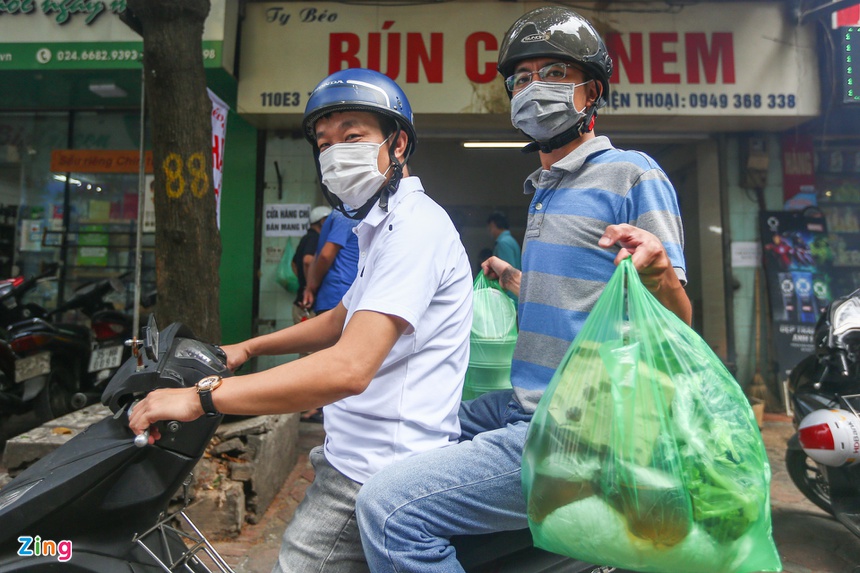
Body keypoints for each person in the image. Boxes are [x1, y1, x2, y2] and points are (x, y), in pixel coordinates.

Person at [354, 7, 691, 572]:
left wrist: (658, 273)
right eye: (523, 78)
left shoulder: (632, 173)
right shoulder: (544, 190)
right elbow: (579, 300)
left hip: (583, 428)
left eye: (554, 73)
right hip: (525, 402)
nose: (536, 89)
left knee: (389, 510)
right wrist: (514, 281)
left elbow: (676, 324)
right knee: (411, 422)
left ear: (593, 91)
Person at [128, 68, 474, 573]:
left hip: (375, 472)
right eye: (324, 142)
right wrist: (247, 348)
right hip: (354, 455)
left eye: (353, 136)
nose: (335, 153)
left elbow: (348, 367)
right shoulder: (380, 225)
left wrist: (201, 398)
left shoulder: (414, 228)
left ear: (397, 144)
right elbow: (339, 318)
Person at [303, 208, 360, 314]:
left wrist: (309, 287)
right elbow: (325, 255)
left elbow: (317, 256)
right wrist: (314, 284)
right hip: (341, 296)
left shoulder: (338, 213)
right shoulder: (347, 212)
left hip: (331, 296)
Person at [291, 205, 331, 325]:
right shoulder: (315, 238)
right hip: (309, 305)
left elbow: (293, 264)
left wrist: (302, 281)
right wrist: (310, 287)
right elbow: (308, 261)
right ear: (323, 221)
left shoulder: (306, 238)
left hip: (300, 303)